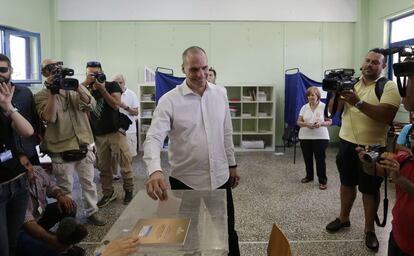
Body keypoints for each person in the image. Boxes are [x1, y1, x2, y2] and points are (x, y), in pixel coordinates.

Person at [143, 46, 240, 256]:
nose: (201, 74)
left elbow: (226, 132)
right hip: (186, 181)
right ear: (183, 68)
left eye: (204, 68)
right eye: (194, 69)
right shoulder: (169, 100)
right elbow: (154, 137)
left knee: (228, 231)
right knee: (188, 235)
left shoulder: (220, 94)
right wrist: (155, 170)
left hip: (221, 177)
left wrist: (232, 164)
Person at [325, 48, 401, 251]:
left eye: (375, 62)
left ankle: (369, 230)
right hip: (346, 143)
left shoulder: (388, 86)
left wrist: (357, 101)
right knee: (346, 184)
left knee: (369, 189)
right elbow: (334, 112)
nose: (369, 64)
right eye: (367, 60)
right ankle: (344, 218)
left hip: (373, 147)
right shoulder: (352, 83)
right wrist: (336, 93)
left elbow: (386, 116)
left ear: (383, 66)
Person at [34, 59, 105, 226]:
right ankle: (68, 216)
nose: (56, 69)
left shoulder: (74, 90)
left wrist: (77, 86)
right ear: (45, 73)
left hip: (83, 144)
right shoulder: (40, 96)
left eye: (59, 65)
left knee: (88, 182)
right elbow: (49, 117)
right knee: (66, 187)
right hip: (61, 149)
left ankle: (92, 211)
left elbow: (91, 105)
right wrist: (53, 92)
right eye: (51, 68)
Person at [16, 153, 87, 256]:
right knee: (48, 250)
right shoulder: (16, 189)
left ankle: (65, 242)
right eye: (22, 168)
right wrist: (52, 240)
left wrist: (60, 196)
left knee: (69, 205)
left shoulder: (37, 171)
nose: (27, 169)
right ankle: (59, 246)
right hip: (26, 228)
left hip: (41, 215)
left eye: (28, 164)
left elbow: (51, 187)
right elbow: (29, 223)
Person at [85, 61, 134, 206]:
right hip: (99, 134)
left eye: (96, 73)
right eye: (90, 74)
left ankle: (129, 190)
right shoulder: (86, 89)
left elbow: (115, 104)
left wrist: (102, 89)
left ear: (102, 72)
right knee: (103, 167)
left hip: (115, 132)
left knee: (124, 163)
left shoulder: (112, 85)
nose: (94, 76)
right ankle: (108, 193)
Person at [0, 53, 34, 256]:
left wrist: (8, 106)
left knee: (12, 242)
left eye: (3, 70)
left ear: (10, 71)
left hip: (16, 180)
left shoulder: (16, 96)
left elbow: (28, 131)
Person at [356, 147, 414, 255]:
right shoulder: (404, 160)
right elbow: (373, 171)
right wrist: (368, 163)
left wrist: (400, 179)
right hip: (398, 234)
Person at [297, 86, 332, 190]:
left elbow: (329, 121)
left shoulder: (324, 106)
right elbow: (298, 122)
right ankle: (309, 177)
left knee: (320, 159)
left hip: (321, 137)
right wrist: (307, 124)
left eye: (312, 95)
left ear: (318, 95)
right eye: (308, 95)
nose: (310, 97)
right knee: (307, 159)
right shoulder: (304, 107)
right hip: (305, 137)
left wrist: (321, 123)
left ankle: (322, 181)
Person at [111, 74, 139, 180]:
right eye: (115, 83)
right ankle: (115, 174)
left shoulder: (131, 94)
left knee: (129, 154)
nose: (118, 85)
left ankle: (128, 173)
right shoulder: (110, 94)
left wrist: (125, 107)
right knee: (114, 154)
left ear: (124, 82)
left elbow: (136, 112)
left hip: (129, 130)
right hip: (114, 130)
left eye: (120, 82)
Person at [12, 83, 43, 165]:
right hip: (8, 156)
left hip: (30, 150)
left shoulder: (25, 92)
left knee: (36, 176)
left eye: (3, 69)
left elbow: (35, 119)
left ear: (11, 70)